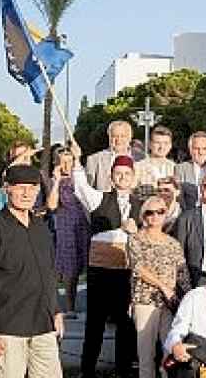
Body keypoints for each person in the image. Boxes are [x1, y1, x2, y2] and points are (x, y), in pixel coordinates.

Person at [0, 165, 65, 378]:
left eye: (32, 188)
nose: (26, 194)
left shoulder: (41, 228)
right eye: (20, 187)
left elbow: (48, 274)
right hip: (7, 329)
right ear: (7, 189)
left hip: (43, 326)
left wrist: (56, 310)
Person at [72, 154, 140, 378]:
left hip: (127, 272)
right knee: (95, 324)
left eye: (127, 174)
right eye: (118, 173)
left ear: (133, 177)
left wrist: (136, 232)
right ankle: (87, 371)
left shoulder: (142, 206)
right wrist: (77, 160)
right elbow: (80, 187)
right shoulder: (98, 198)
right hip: (100, 272)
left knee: (125, 323)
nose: (122, 177)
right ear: (111, 177)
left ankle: (123, 371)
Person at [127, 195, 191, 378]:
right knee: (146, 355)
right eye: (150, 212)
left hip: (169, 304)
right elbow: (138, 268)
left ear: (165, 214)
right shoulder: (136, 239)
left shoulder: (173, 243)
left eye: (160, 212)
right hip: (145, 301)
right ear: (143, 216)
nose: (155, 216)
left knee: (169, 353)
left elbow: (182, 274)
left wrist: (187, 300)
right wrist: (164, 287)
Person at [45, 144, 89, 316]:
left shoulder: (82, 177)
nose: (66, 165)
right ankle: (68, 307)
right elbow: (51, 205)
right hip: (66, 227)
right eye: (62, 162)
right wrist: (56, 182)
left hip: (84, 225)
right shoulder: (53, 180)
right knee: (68, 268)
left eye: (69, 161)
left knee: (86, 265)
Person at [87, 120, 135, 191]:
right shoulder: (94, 159)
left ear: (129, 138)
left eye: (122, 136)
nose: (118, 140)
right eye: (114, 136)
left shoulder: (140, 159)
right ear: (109, 137)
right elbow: (87, 190)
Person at [175, 131, 206, 207]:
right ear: (190, 149)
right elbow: (178, 196)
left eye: (204, 148)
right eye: (196, 148)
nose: (200, 152)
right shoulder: (180, 169)